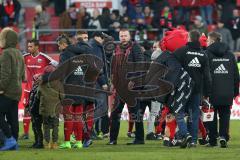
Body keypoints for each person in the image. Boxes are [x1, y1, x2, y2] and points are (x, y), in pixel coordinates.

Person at [173, 30, 212, 147]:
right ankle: (194, 140)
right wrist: (207, 92)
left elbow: (172, 67)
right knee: (193, 115)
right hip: (196, 90)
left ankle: (185, 134)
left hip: (182, 89)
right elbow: (207, 76)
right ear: (199, 39)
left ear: (188, 38)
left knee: (178, 112)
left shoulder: (181, 51)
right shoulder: (203, 54)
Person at [108, 29, 145, 145]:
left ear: (129, 36)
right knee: (115, 113)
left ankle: (139, 139)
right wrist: (112, 82)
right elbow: (113, 67)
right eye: (121, 36)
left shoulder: (135, 48)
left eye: (125, 35)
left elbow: (140, 66)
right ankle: (113, 140)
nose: (123, 37)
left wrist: (134, 81)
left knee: (135, 114)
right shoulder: (117, 49)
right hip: (120, 87)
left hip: (132, 87)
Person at [206, 31, 239, 148]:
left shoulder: (207, 54)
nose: (206, 42)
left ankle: (213, 140)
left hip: (212, 91)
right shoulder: (230, 55)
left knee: (211, 116)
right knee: (225, 115)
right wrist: (235, 92)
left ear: (212, 41)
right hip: (227, 91)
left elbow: (206, 75)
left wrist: (205, 92)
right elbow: (236, 75)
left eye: (207, 40)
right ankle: (224, 137)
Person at [21, 39, 58, 140]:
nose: (29, 48)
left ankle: (42, 134)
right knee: (26, 110)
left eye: (31, 46)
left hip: (40, 89)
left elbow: (56, 64)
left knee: (40, 111)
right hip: (28, 89)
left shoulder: (44, 57)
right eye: (28, 46)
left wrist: (45, 74)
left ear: (37, 47)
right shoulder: (25, 57)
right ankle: (25, 133)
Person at [0, 27, 25, 151]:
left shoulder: (6, 53)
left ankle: (9, 139)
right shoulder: (19, 53)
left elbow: (5, 75)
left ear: (5, 39)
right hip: (17, 90)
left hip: (7, 90)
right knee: (13, 118)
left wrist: (1, 87)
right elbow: (23, 75)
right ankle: (15, 143)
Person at [89, 32, 109, 139]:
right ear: (96, 37)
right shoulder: (95, 47)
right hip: (97, 82)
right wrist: (103, 82)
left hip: (93, 81)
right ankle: (87, 128)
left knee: (99, 107)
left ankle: (89, 130)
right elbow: (97, 66)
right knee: (102, 107)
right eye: (102, 38)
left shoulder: (93, 45)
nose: (103, 40)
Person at [39, 65, 63, 149]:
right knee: (55, 126)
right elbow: (62, 96)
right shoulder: (58, 82)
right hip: (55, 109)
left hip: (44, 108)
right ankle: (55, 143)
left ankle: (47, 143)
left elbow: (38, 95)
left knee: (46, 126)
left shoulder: (41, 83)